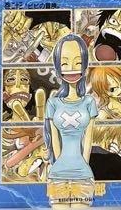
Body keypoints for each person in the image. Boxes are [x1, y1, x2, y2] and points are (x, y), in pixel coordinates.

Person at [45, 35, 98, 210]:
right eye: (65, 63)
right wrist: (58, 164)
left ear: (84, 65)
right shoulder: (52, 103)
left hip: (83, 173)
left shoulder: (89, 102)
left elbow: (88, 140)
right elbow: (54, 140)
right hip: (57, 173)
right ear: (57, 66)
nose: (72, 69)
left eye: (78, 62)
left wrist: (84, 165)